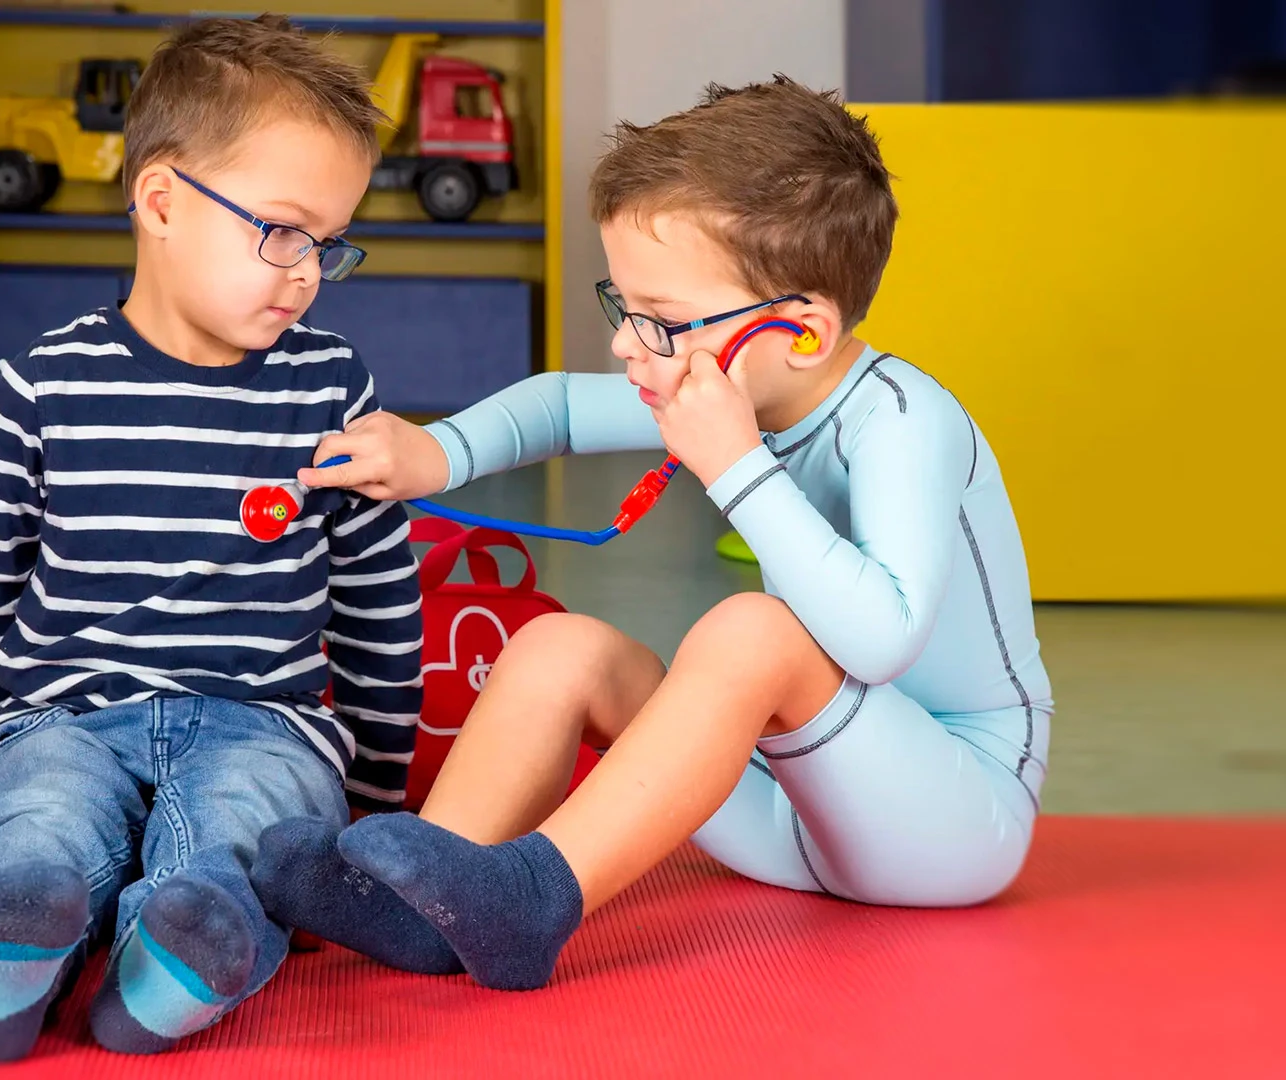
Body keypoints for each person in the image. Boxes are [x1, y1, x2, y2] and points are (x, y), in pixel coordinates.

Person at [252, 75, 1052, 991]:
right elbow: (558, 402)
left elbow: (881, 638)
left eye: (662, 322)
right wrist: (438, 453)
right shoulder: (735, 384)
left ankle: (535, 898)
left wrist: (738, 467)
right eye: (623, 306)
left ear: (801, 333)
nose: (630, 345)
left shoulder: (907, 420)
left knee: (754, 631)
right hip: (796, 809)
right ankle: (420, 909)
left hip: (949, 824)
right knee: (561, 646)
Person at [0, 15, 422, 1060]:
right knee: (41, 816)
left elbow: (377, 592)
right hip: (64, 716)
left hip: (264, 721)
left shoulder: (332, 386)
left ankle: (179, 956)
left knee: (249, 827)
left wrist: (373, 791)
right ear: (159, 200)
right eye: (282, 231)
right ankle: (5, 943)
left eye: (330, 244)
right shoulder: (46, 383)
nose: (307, 272)